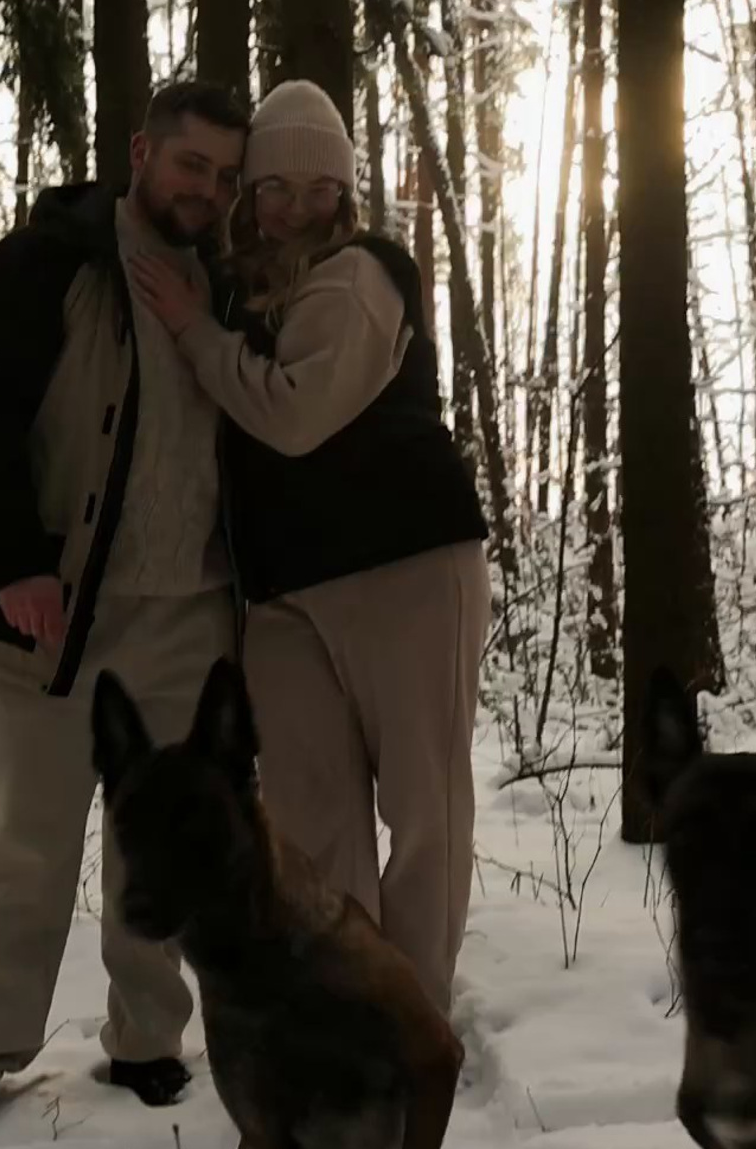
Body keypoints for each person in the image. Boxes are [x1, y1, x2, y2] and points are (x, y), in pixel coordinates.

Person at [0, 81, 248, 1144]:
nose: (207, 191)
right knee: (27, 841)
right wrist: (17, 562)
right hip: (61, 609)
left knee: (166, 840)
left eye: (226, 177)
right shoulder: (39, 264)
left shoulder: (228, 287)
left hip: (191, 608)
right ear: (141, 152)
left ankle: (148, 1038)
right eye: (191, 165)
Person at [131, 78, 492, 1015]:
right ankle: (344, 1008)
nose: (298, 207)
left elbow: (295, 416)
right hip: (285, 592)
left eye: (319, 187)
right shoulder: (237, 292)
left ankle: (413, 1019)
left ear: (346, 191)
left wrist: (193, 332)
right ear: (251, 195)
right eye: (277, 188)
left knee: (422, 810)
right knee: (310, 815)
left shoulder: (361, 275)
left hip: (408, 568)